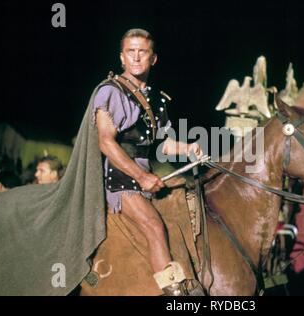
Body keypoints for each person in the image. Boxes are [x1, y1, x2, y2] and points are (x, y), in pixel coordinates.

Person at [93, 28, 203, 296]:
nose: (136, 57)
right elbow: (106, 142)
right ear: (122, 57)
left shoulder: (156, 98)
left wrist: (189, 147)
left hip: (147, 174)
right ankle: (174, 294)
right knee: (154, 226)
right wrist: (140, 177)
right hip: (119, 179)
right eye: (130, 52)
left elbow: (160, 143)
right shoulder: (111, 91)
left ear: (154, 59)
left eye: (142, 52)